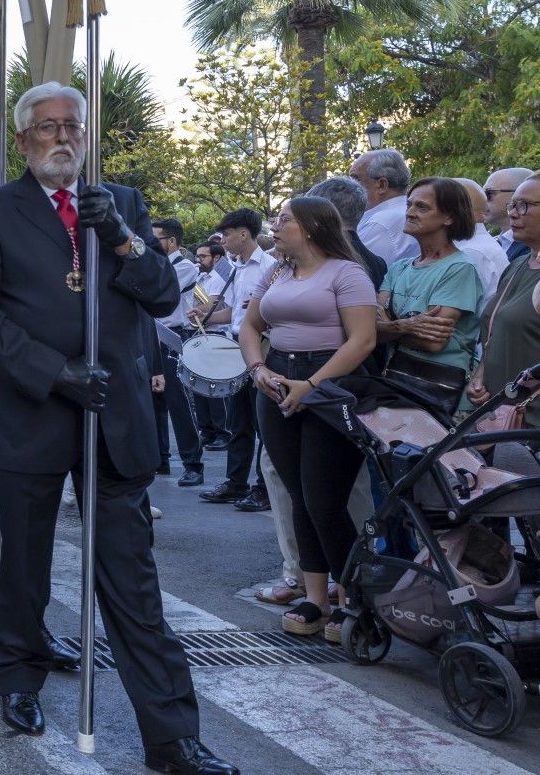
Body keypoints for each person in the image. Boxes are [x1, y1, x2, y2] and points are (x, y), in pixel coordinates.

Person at [0, 83, 233, 774]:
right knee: (23, 566)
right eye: (46, 128)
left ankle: (172, 738)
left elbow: (164, 296)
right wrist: (53, 372)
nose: (61, 138)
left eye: (71, 126)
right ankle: (18, 680)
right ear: (22, 141)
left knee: (133, 582)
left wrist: (120, 234)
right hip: (31, 411)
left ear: (85, 135)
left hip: (115, 420)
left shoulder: (124, 204)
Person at [237, 196, 377, 644]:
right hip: (276, 377)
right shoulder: (276, 270)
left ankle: (353, 598)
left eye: (285, 220)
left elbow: (362, 340)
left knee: (325, 498)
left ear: (314, 227)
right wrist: (258, 368)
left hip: (331, 384)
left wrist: (312, 385)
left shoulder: (347, 272)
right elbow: (249, 326)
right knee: (297, 492)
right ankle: (315, 597)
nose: (275, 227)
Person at [376, 178, 483, 414]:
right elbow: (369, 328)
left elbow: (433, 342)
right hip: (399, 384)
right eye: (409, 205)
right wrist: (408, 326)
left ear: (449, 217)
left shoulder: (459, 269)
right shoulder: (399, 267)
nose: (410, 213)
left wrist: (389, 328)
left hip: (442, 392)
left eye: (421, 207)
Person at [193, 208, 275, 511]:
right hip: (237, 347)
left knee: (264, 424)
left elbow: (266, 317)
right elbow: (237, 315)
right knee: (239, 422)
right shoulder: (235, 268)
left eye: (227, 234)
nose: (223, 240)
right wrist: (206, 315)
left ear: (244, 234)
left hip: (262, 351)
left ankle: (263, 488)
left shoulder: (271, 267)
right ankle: (236, 482)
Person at [468, 169, 540, 429]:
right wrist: (481, 372)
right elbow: (497, 331)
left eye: (524, 205)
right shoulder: (516, 265)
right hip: (502, 416)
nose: (513, 213)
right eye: (512, 205)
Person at [149, 217, 205, 487]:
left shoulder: (184, 267)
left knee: (178, 402)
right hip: (150, 337)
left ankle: (192, 463)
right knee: (152, 401)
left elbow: (155, 290)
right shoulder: (157, 263)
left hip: (172, 337)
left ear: (171, 242)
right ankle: (159, 457)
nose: (149, 243)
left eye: (155, 238)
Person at [348, 148, 419, 266]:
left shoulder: (381, 222)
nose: (348, 186)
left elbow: (351, 270)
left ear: (382, 185)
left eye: (355, 179)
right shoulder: (408, 213)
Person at [451, 177, 510, 309]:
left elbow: (444, 320)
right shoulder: (468, 247)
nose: (410, 213)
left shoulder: (470, 252)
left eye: (424, 207)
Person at [483, 166, 534, 263]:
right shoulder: (493, 242)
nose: (483, 200)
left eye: (488, 193)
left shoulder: (537, 246)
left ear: (519, 192)